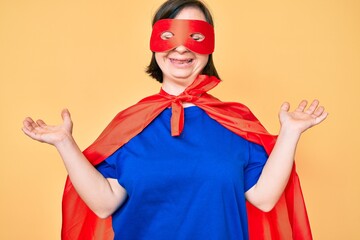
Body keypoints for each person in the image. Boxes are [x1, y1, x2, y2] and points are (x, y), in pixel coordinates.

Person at [22, 0, 328, 239]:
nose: (181, 47)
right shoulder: (130, 125)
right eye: (169, 35)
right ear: (154, 44)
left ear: (210, 47)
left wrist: (290, 133)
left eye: (195, 36)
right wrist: (64, 143)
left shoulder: (236, 122)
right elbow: (104, 203)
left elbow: (264, 198)